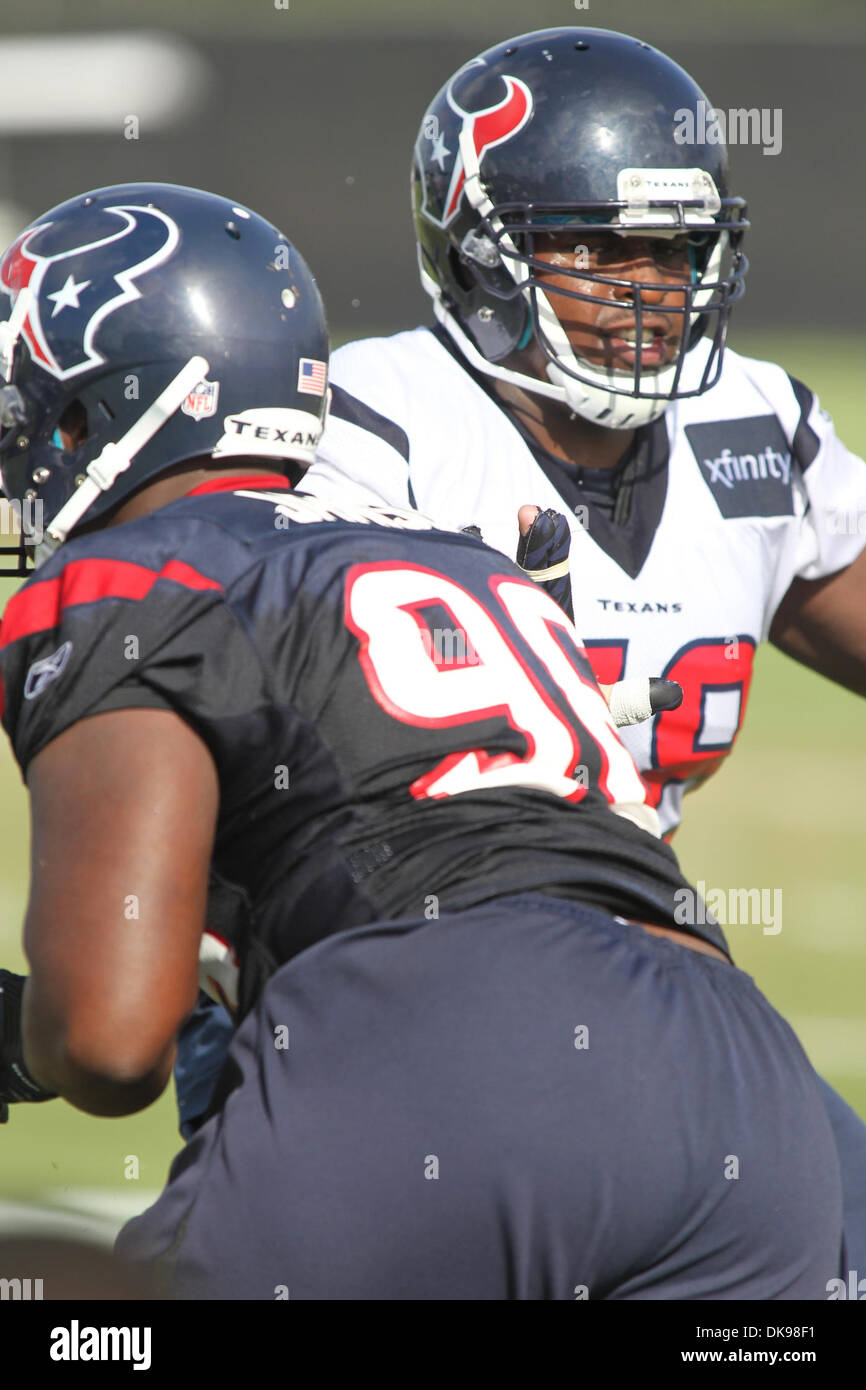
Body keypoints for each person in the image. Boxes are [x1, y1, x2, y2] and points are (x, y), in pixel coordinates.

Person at [0, 182, 842, 1299]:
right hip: (746, 1085)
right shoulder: (467, 563)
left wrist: (27, 1036)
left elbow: (110, 1042)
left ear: (84, 413)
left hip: (459, 1048)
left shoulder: (133, 575)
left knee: (93, 1327)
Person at [298, 24, 866, 1263]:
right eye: (595, 246)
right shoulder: (369, 432)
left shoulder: (751, 424)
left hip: (638, 991)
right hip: (359, 990)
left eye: (670, 251)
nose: (644, 288)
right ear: (479, 250)